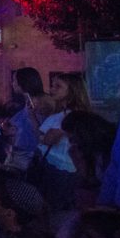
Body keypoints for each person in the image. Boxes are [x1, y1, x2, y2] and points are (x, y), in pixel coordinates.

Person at [37, 72, 92, 211]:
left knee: (55, 209)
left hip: (61, 169)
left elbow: (48, 139)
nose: (52, 89)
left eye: (58, 86)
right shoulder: (63, 113)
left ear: (72, 91)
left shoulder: (70, 116)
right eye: (52, 85)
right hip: (56, 166)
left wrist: (44, 137)